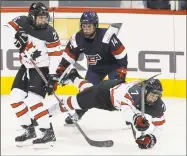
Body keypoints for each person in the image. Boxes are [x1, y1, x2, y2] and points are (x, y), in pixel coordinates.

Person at [47, 66, 166, 149]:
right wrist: (136, 119)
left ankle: (74, 77)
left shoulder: (157, 105)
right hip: (103, 93)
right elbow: (126, 111)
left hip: (115, 99)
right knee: (73, 103)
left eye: (157, 96)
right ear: (145, 92)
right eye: (152, 95)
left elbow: (159, 127)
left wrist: (152, 138)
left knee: (87, 89)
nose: (154, 99)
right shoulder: (134, 93)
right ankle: (46, 114)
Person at [47, 11, 128, 124]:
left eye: (89, 26)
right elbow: (67, 58)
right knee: (87, 93)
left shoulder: (107, 36)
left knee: (119, 94)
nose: (86, 29)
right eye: (84, 26)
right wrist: (59, 74)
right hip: (95, 69)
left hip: (113, 67)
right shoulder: (77, 38)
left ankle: (130, 115)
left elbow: (122, 55)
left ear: (95, 25)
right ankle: (78, 113)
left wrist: (121, 73)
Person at [3, 2, 62, 148]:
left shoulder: (50, 33)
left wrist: (53, 76)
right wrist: (16, 35)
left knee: (34, 102)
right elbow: (4, 30)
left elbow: (56, 56)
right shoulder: (22, 21)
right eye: (39, 18)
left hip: (42, 70)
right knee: (15, 99)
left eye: (44, 18)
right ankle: (29, 130)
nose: (43, 21)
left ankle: (48, 133)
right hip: (26, 67)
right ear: (31, 17)